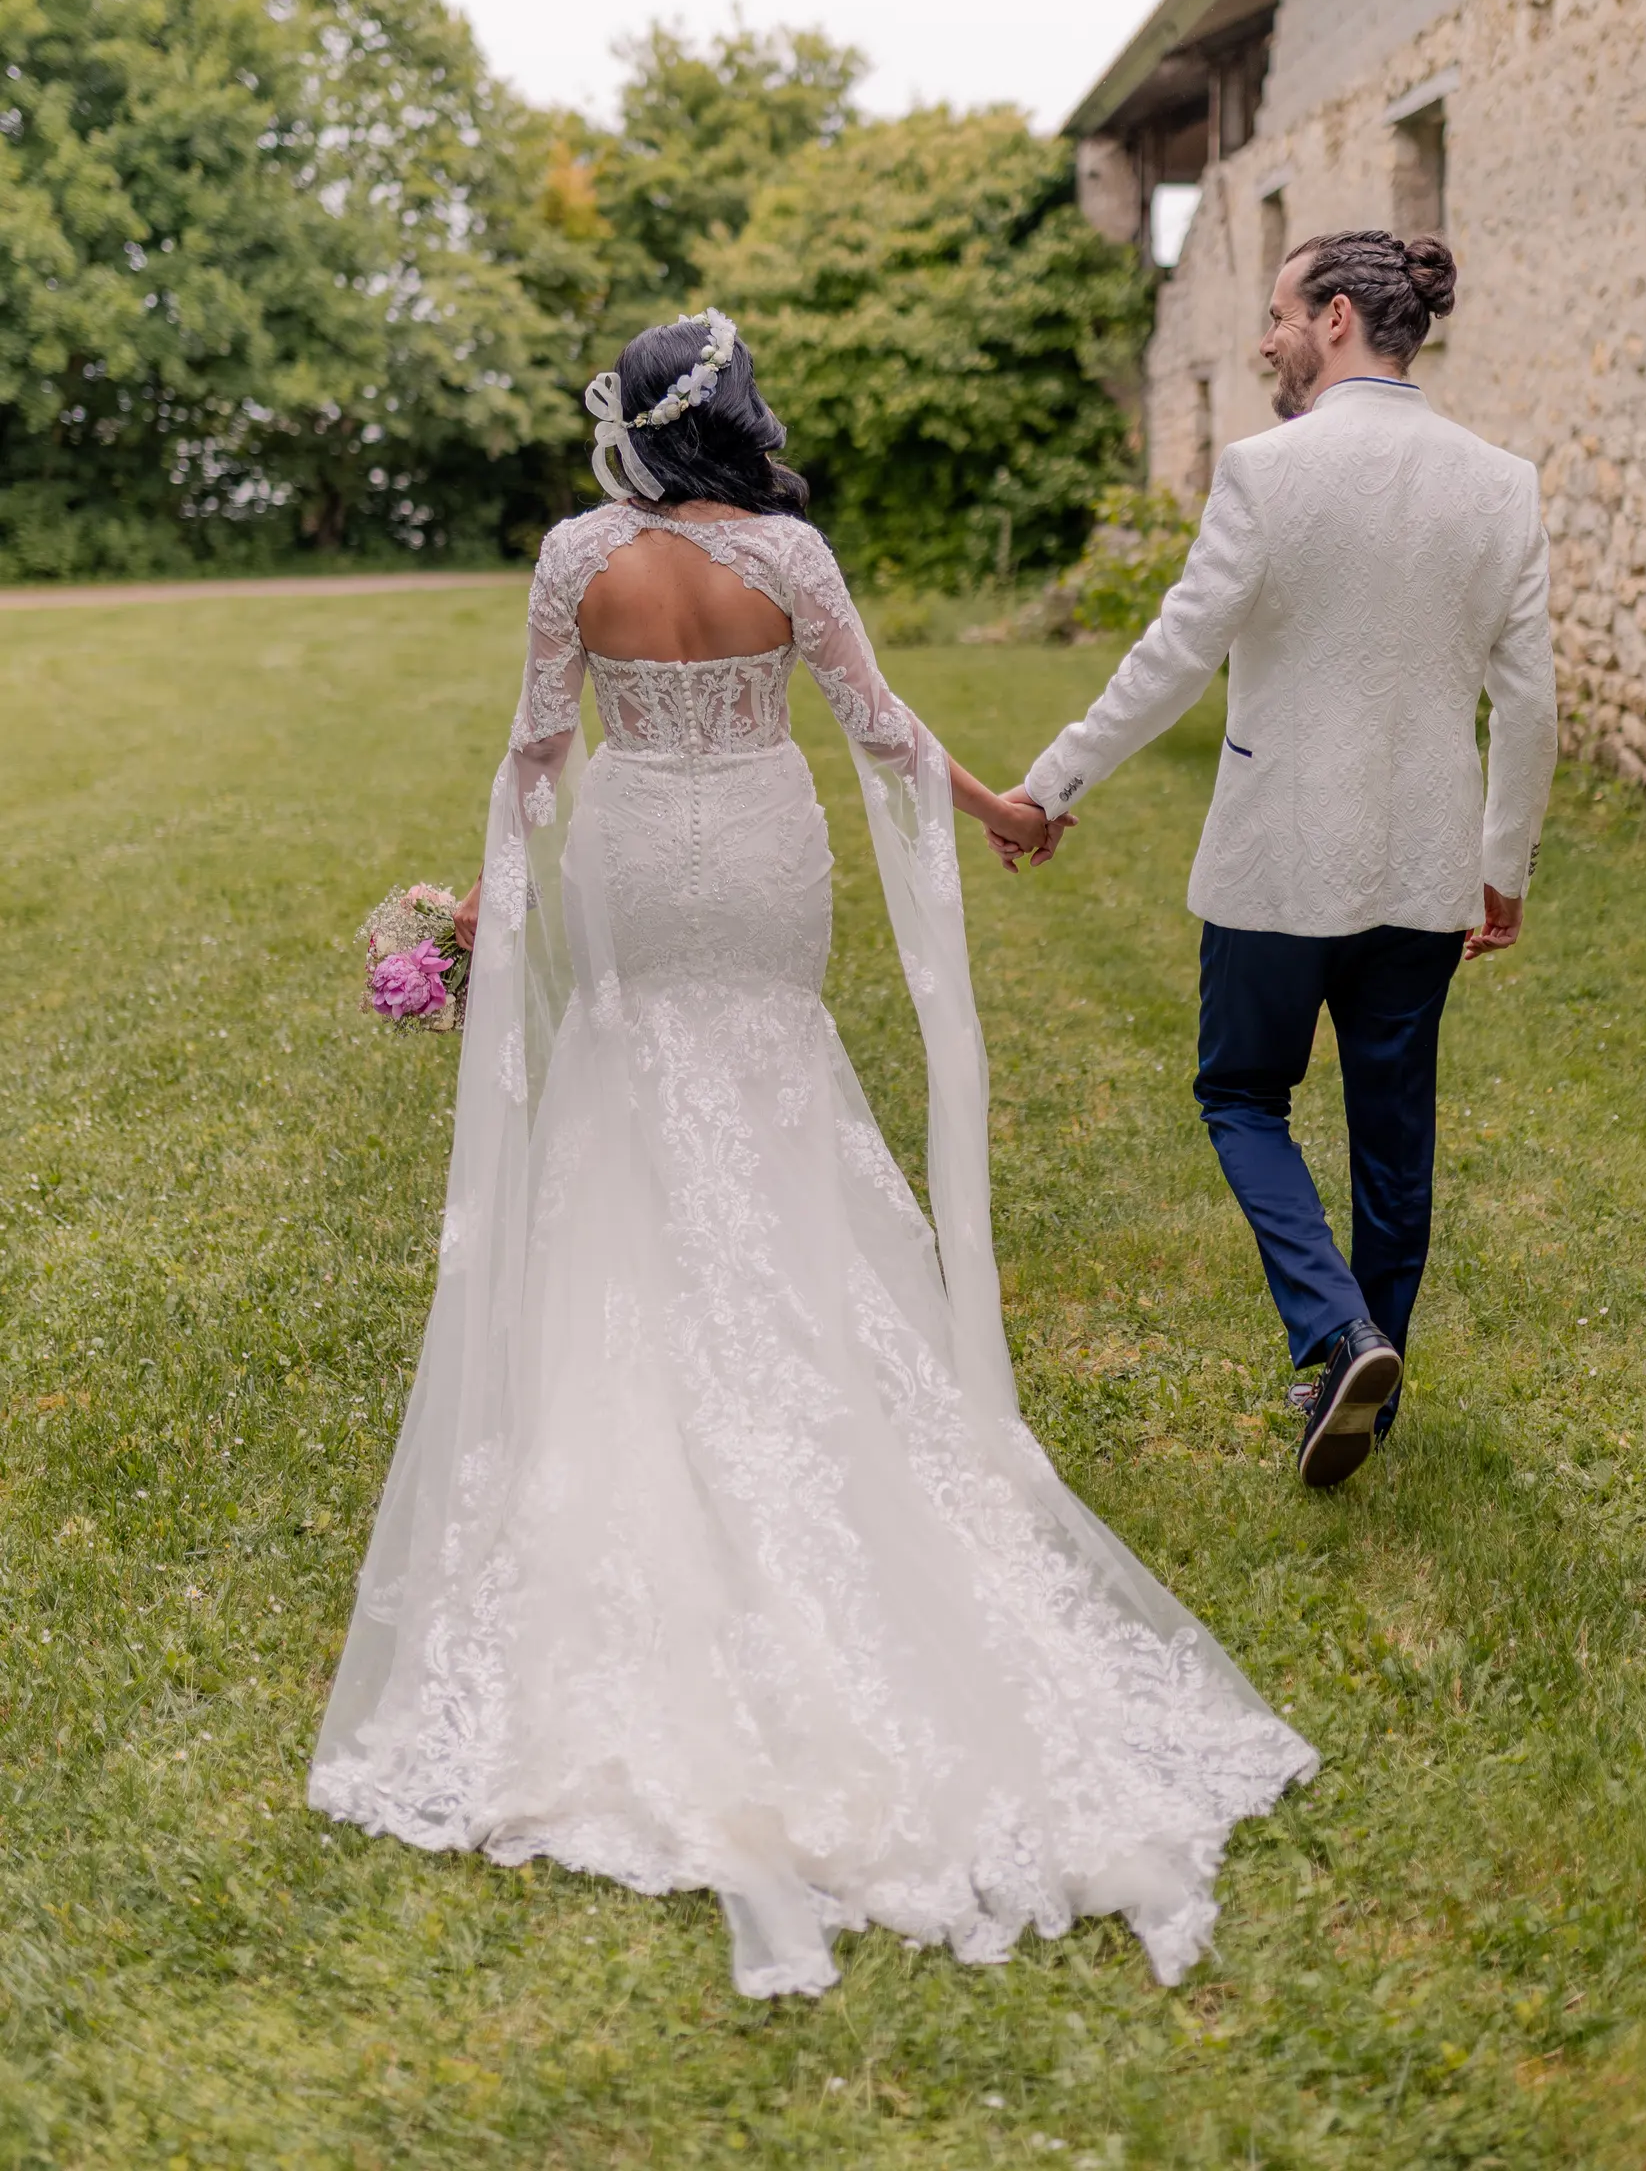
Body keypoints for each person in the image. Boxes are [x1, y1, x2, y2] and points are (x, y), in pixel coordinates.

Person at [310, 310, 1317, 1999]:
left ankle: (647, 1417)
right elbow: (877, 728)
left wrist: (480, 914)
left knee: (634, 1094)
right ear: (742, 418)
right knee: (773, 1083)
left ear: (631, 424)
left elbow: (539, 762)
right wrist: (1004, 810)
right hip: (762, 855)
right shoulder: (791, 552)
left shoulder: (576, 559)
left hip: (639, 848)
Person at [1005, 233, 1557, 1491]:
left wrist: (1049, 786)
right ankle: (1362, 1384)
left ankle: (1335, 1336)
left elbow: (1174, 655)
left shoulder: (1264, 470)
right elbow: (1528, 706)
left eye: (1275, 316)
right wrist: (1501, 863)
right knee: (1391, 1138)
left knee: (1242, 1095)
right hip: (1423, 867)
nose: (1263, 339)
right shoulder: (1501, 483)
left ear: (1339, 318)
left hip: (1274, 861)